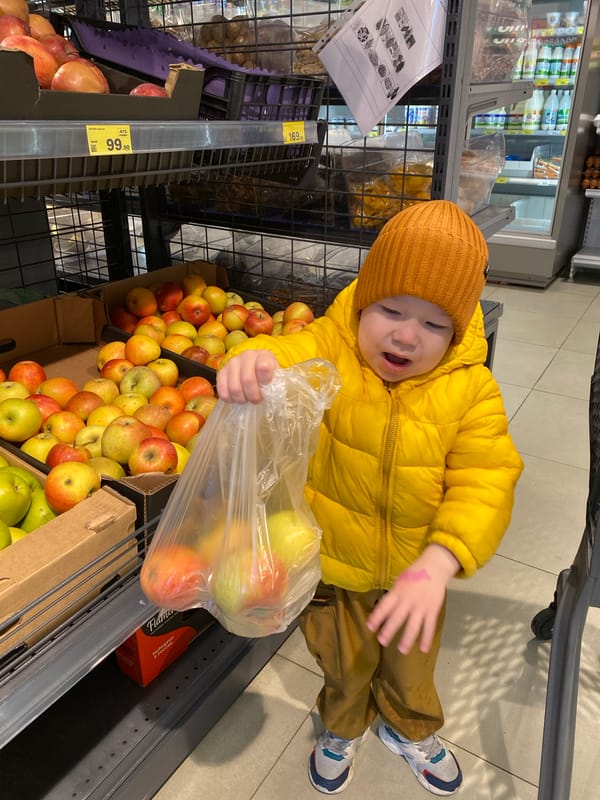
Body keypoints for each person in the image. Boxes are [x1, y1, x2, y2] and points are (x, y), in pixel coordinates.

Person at [216, 200, 524, 796]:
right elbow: (287, 354)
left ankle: (410, 729)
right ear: (365, 300)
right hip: (337, 566)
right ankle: (341, 727)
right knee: (344, 664)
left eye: (435, 325)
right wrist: (249, 359)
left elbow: (488, 476)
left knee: (413, 667)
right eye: (391, 310)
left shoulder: (471, 389)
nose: (407, 335)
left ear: (458, 331)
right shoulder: (335, 343)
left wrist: (440, 562)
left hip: (416, 573)